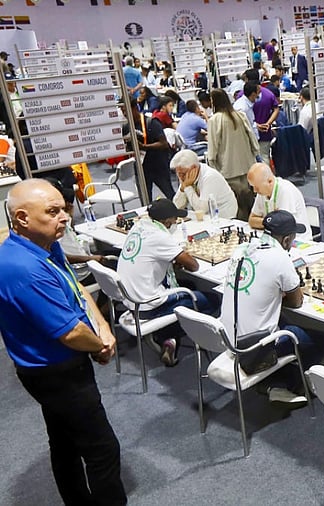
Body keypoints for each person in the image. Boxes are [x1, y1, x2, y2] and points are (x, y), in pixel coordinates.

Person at [0, 179, 126, 505]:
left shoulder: (45, 245)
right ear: (22, 219)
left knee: (64, 442)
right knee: (102, 450)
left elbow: (75, 287)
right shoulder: (22, 267)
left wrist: (104, 329)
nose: (65, 217)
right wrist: (99, 345)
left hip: (61, 363)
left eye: (63, 209)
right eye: (52, 211)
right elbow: (69, 332)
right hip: (56, 373)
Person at [220, 210, 324, 405]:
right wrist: (279, 294)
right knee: (321, 340)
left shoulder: (242, 248)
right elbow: (296, 301)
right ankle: (291, 383)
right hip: (252, 349)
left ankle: (273, 381)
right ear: (287, 240)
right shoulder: (280, 258)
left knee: (282, 321)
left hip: (227, 339)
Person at [117, 199, 215, 366]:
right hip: (147, 306)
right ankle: (168, 336)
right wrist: (178, 255)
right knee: (212, 299)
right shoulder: (160, 237)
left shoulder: (139, 226)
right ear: (167, 221)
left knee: (189, 286)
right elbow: (194, 265)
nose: (176, 223)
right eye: (175, 220)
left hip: (130, 301)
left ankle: (169, 339)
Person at [206, 88, 259, 220]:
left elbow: (213, 147)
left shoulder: (215, 120)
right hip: (247, 165)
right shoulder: (240, 115)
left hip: (228, 169)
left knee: (236, 204)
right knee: (249, 200)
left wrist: (212, 165)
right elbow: (252, 138)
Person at [247, 163, 312, 242]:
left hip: (297, 240)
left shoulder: (285, 190)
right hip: (274, 238)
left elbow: (282, 228)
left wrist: (264, 222)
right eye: (253, 187)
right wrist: (271, 222)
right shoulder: (262, 192)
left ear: (270, 181)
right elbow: (251, 221)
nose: (254, 190)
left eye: (256, 187)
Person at [171, 149, 239, 220]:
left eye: (183, 174)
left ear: (194, 168)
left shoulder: (210, 177)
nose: (181, 177)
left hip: (223, 217)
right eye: (178, 174)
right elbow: (176, 207)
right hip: (206, 217)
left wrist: (187, 187)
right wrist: (182, 188)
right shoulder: (186, 177)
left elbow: (201, 210)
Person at [130, 96, 175, 199]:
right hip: (141, 168)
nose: (124, 113)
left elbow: (163, 143)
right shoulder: (127, 126)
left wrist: (144, 147)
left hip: (158, 165)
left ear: (134, 108)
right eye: (122, 111)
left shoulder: (151, 122)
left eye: (125, 110)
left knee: (170, 195)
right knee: (146, 200)